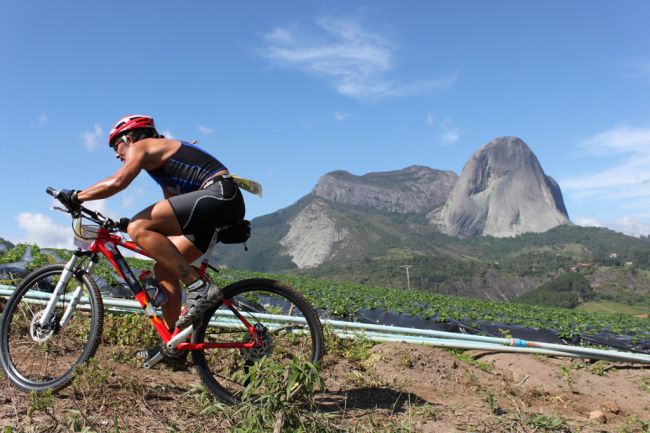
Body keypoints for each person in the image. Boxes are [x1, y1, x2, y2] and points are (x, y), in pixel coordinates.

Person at [57, 114, 246, 357]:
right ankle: (174, 346)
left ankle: (199, 287)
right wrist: (128, 226)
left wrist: (77, 196)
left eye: (117, 145)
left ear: (130, 137)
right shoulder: (163, 165)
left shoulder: (143, 146)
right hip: (217, 205)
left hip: (219, 194)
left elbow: (118, 182)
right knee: (165, 267)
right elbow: (172, 210)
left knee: (140, 227)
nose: (117, 154)